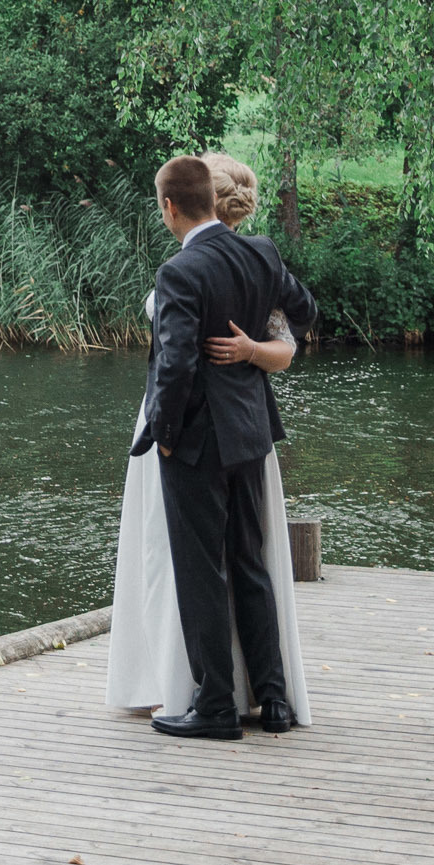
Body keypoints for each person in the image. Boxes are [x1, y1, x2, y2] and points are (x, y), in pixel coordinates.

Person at [108, 153, 318, 732]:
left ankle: (216, 704)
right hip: (250, 433)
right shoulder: (262, 253)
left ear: (170, 207)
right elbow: (306, 311)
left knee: (200, 572)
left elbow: (174, 365)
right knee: (250, 565)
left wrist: (167, 438)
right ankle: (274, 701)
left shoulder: (181, 270)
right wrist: (253, 346)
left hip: (196, 441)